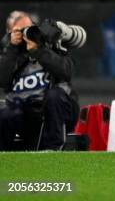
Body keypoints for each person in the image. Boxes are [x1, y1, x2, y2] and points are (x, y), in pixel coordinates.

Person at [0, 14, 79, 150]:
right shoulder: (11, 55)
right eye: (20, 31)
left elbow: (66, 72)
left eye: (30, 29)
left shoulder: (52, 47)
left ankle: (52, 151)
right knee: (7, 111)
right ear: (10, 34)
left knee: (54, 95)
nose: (26, 34)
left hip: (57, 112)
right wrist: (12, 48)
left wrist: (39, 51)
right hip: (27, 115)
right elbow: (2, 80)